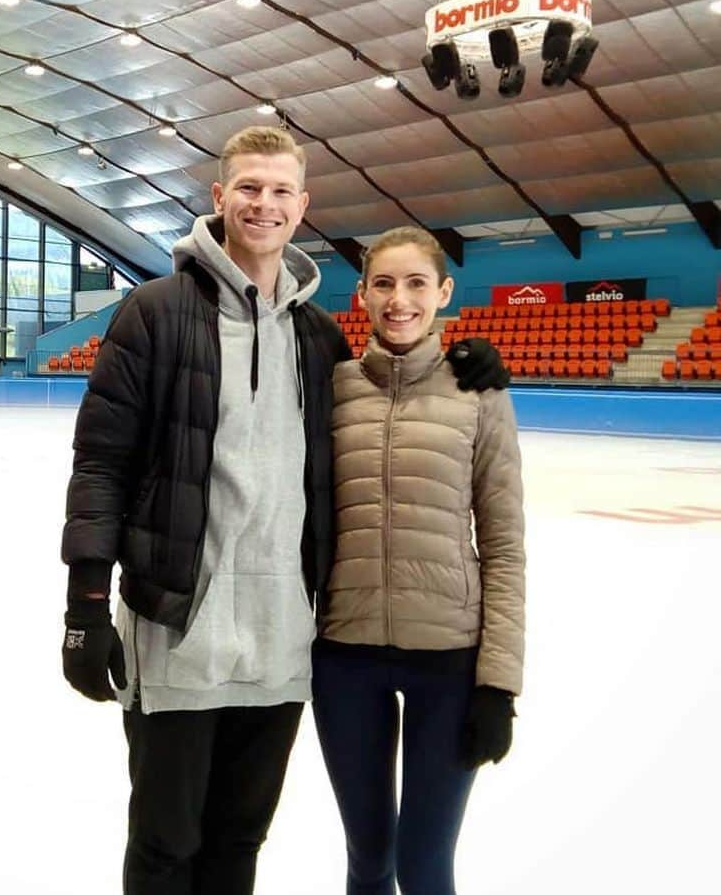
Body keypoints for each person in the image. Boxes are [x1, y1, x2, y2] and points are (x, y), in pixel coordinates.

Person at [60, 129, 508, 895]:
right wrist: (86, 605)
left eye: (279, 192)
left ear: (302, 207)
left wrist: (469, 359)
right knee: (166, 842)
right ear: (220, 198)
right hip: (179, 631)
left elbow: (390, 379)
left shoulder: (317, 335)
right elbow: (102, 465)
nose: (262, 204)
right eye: (248, 188)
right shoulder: (154, 313)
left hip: (279, 643)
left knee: (239, 840)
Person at [313, 225, 526, 895]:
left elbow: (504, 542)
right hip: (344, 654)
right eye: (384, 283)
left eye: (415, 284)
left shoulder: (479, 391)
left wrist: (498, 683)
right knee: (368, 857)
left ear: (444, 292)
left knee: (425, 864)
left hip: (449, 661)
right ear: (363, 294)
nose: (398, 300)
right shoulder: (332, 387)